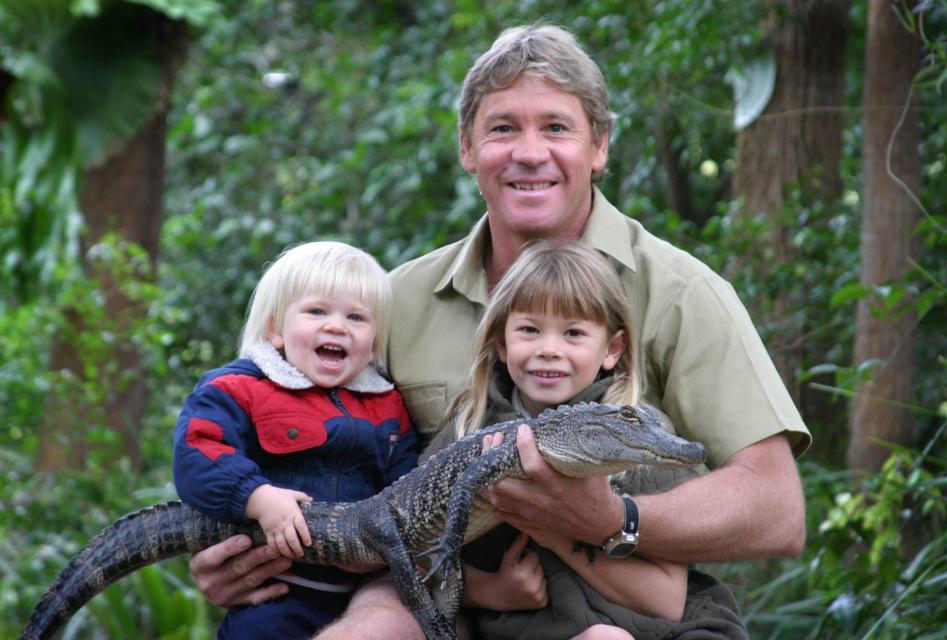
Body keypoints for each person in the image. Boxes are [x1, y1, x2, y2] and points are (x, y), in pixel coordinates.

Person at [188, 24, 811, 640]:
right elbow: (291, 430)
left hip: (612, 597)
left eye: (557, 127)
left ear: (600, 147)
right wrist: (239, 541)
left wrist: (611, 518)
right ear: (468, 148)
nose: (530, 152)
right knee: (372, 624)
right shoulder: (394, 298)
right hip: (439, 582)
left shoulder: (681, 292)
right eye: (503, 128)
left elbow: (776, 510)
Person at [421, 240, 695, 639]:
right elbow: (414, 552)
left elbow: (667, 601)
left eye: (573, 333)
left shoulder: (639, 439)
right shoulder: (469, 427)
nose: (549, 350)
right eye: (530, 329)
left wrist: (559, 534)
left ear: (612, 349)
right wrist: (491, 592)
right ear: (502, 343)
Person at [172, 240, 419, 639]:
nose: (336, 326)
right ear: (276, 329)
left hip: (362, 596)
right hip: (275, 594)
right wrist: (258, 496)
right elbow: (198, 452)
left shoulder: (388, 405)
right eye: (317, 311)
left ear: (374, 343)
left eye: (356, 317)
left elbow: (406, 483)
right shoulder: (240, 388)